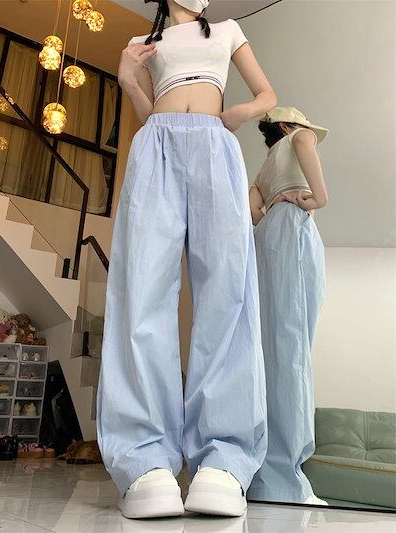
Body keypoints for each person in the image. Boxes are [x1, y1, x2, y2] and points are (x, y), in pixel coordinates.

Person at [97, 0, 277, 519]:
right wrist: (128, 80)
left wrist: (239, 114)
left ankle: (223, 458)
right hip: (156, 143)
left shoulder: (226, 30)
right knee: (141, 291)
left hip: (217, 147)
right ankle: (144, 460)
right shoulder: (145, 43)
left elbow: (267, 94)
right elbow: (148, 112)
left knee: (228, 292)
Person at [248, 106, 329, 506]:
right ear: (287, 126)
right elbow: (307, 148)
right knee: (293, 352)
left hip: (267, 239)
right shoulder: (299, 137)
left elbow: (252, 212)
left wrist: (273, 206)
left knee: (269, 353)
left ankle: (261, 474)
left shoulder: (263, 171)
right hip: (293, 229)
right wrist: (317, 199)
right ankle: (287, 480)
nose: (308, 133)